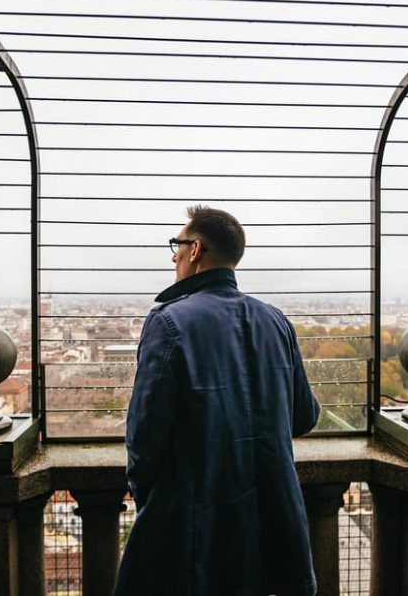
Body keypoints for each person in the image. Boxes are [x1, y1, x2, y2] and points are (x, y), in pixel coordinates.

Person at [115, 206, 321, 596]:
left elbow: (145, 435)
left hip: (196, 523)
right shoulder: (275, 320)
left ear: (195, 250)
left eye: (176, 246)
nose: (174, 256)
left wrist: (152, 498)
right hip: (271, 519)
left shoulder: (168, 322)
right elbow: (304, 416)